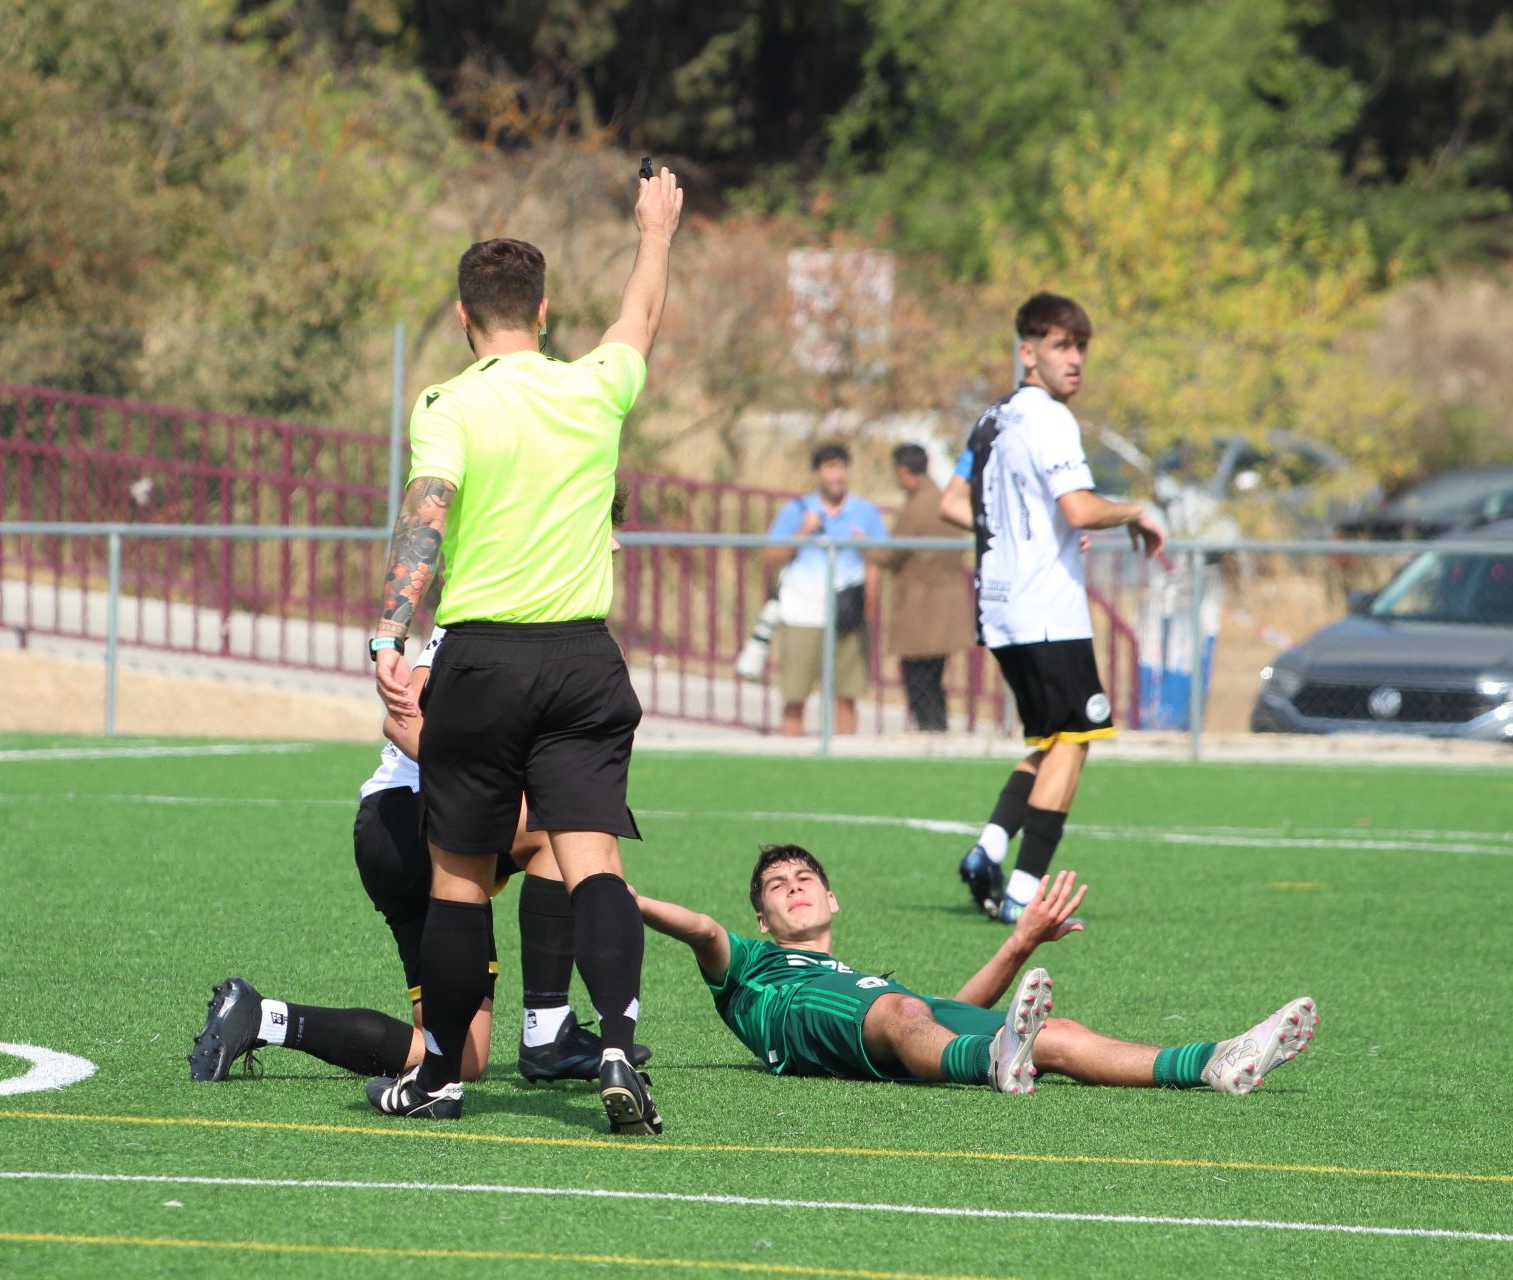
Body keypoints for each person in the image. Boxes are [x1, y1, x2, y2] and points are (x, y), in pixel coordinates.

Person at [364, 168, 683, 1132]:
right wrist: (654, 230)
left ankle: (440, 1081)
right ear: (543, 312)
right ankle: (617, 1043)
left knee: (461, 877)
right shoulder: (595, 385)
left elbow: (429, 512)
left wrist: (391, 628)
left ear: (464, 316)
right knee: (594, 865)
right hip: (586, 660)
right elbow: (639, 316)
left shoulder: (448, 404)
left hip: (485, 660)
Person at [189, 497, 651, 1089]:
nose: (614, 546)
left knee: (462, 1058)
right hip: (405, 819)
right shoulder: (494, 621)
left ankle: (265, 1018)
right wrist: (488, 788)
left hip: (405, 830)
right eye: (602, 532)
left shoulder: (544, 622)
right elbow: (402, 721)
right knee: (561, 828)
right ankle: (547, 1031)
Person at [637, 845, 1317, 1095]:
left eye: (805, 877)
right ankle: (994, 1061)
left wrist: (1021, 942)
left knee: (1050, 1031)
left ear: (832, 898)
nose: (793, 888)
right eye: (777, 887)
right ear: (761, 918)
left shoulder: (862, 980)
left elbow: (938, 1013)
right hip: (808, 1028)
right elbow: (697, 928)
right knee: (906, 1015)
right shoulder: (754, 966)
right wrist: (617, 895)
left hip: (888, 1016)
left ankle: (1213, 1061)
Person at [938, 293, 1166, 923]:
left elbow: (954, 502)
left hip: (1001, 605)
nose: (1076, 360)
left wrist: (1022, 531)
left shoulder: (993, 417)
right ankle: (1022, 893)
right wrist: (1136, 512)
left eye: (1081, 346)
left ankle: (988, 849)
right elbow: (1080, 508)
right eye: (1063, 346)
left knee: (1047, 739)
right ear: (1028, 351)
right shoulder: (1051, 419)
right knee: (1077, 736)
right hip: (1046, 607)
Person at [763, 443, 887, 737]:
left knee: (846, 696)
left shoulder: (865, 512)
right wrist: (803, 531)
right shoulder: (798, 510)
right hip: (802, 613)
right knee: (795, 695)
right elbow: (770, 556)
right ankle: (792, 757)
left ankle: (844, 761)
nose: (837, 475)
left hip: (846, 613)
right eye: (830, 467)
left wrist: (870, 597)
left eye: (841, 466)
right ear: (818, 473)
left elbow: (882, 558)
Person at [874, 443, 970, 732]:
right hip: (948, 602)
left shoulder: (917, 507)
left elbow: (892, 554)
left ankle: (932, 734)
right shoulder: (944, 499)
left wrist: (861, 546)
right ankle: (936, 731)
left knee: (919, 680)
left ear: (903, 471)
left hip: (921, 605)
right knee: (933, 678)